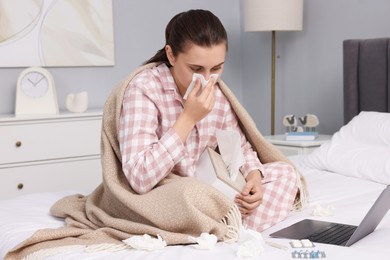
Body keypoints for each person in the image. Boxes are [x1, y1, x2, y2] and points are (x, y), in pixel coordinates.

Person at [118, 9, 303, 232]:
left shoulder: (218, 95)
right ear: (171, 55)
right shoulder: (144, 89)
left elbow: (237, 147)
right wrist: (188, 118)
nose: (207, 80)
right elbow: (139, 178)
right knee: (191, 193)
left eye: (216, 68)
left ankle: (226, 230)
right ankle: (224, 227)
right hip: (167, 192)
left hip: (207, 190)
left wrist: (253, 176)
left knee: (285, 173)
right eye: (196, 69)